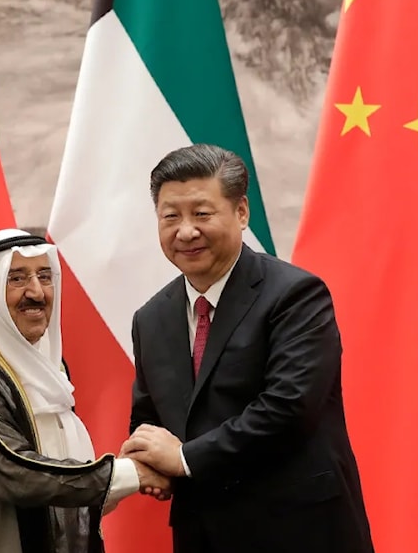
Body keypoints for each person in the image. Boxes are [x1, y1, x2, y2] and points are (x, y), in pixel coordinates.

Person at [120, 144, 374, 553]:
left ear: (241, 212)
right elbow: (148, 415)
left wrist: (184, 460)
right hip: (202, 534)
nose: (185, 231)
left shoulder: (296, 295)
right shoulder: (150, 318)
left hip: (298, 530)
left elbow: (287, 409)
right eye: (171, 216)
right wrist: (144, 455)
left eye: (202, 214)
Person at [0, 228, 170, 553]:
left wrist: (126, 474)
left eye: (45, 277)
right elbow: (14, 471)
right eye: (16, 279)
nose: (36, 292)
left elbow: (61, 489)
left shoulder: (49, 368)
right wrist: (130, 473)